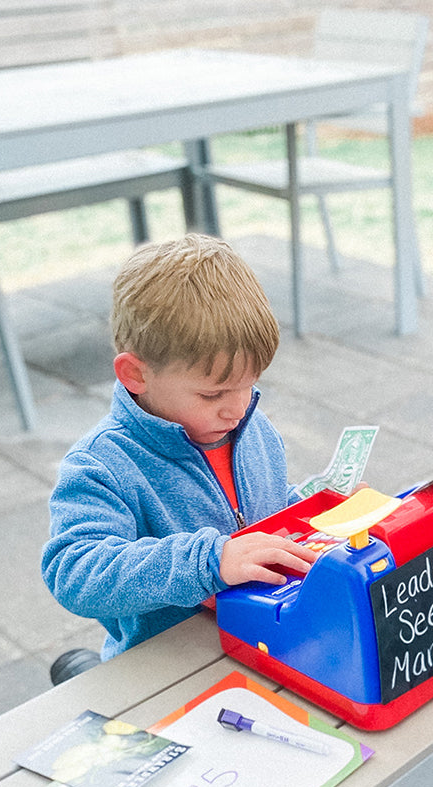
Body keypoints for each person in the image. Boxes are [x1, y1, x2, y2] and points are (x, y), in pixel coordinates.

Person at [42, 234, 316, 681]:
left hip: (260, 639)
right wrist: (209, 562)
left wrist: (322, 505)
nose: (238, 406)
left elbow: (267, 509)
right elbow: (73, 570)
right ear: (135, 375)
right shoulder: (103, 465)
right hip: (166, 664)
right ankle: (84, 671)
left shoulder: (247, 426)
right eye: (213, 394)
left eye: (248, 384)